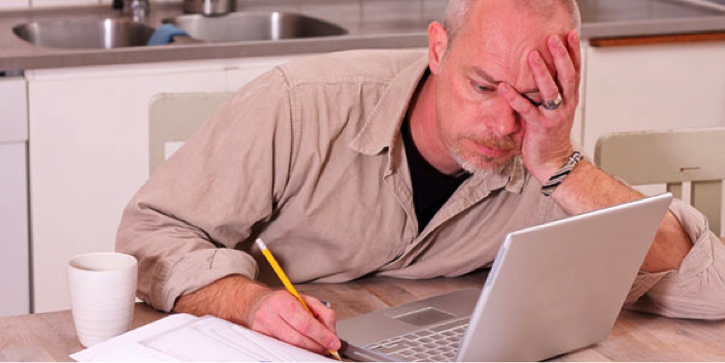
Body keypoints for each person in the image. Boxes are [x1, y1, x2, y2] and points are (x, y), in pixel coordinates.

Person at [117, 0, 725, 356]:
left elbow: (708, 290)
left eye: (533, 96)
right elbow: (150, 233)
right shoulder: (300, 105)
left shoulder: (545, 150)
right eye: (483, 86)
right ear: (437, 50)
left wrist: (559, 163)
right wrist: (248, 302)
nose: (501, 123)